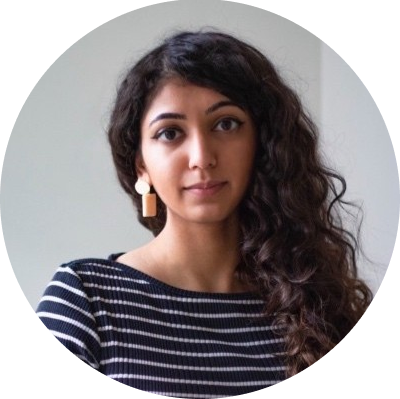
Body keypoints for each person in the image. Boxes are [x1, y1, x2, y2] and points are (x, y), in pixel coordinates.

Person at [36, 29, 374, 397]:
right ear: (141, 166)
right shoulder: (84, 300)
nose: (201, 157)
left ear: (262, 144)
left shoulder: (319, 311)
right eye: (170, 133)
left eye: (225, 124)